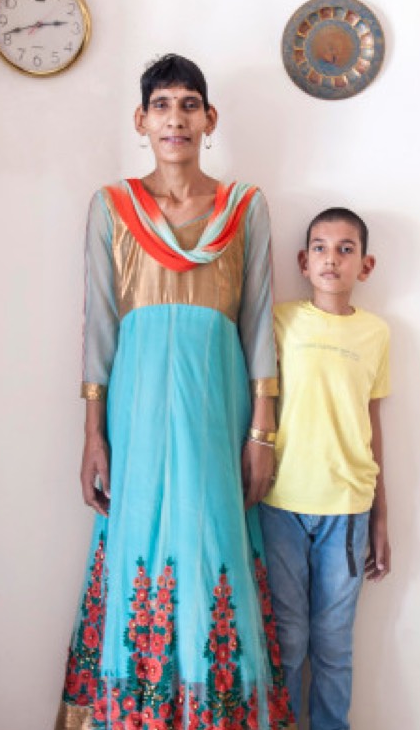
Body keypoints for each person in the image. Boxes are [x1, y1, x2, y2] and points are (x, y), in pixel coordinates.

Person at [55, 54, 294, 730]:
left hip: (217, 406)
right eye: (162, 105)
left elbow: (258, 322)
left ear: (210, 119)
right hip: (135, 413)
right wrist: (92, 434)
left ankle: (217, 713)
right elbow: (100, 327)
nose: (176, 119)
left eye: (189, 104)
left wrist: (262, 433)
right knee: (138, 538)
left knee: (213, 539)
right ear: (141, 120)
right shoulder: (112, 206)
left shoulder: (244, 207)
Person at [259, 208, 391, 730]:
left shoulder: (376, 334)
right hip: (281, 505)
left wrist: (381, 516)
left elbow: (372, 424)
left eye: (345, 249)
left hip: (348, 510)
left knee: (333, 648)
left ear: (366, 265)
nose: (331, 259)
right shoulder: (280, 322)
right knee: (287, 642)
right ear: (303, 261)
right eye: (320, 247)